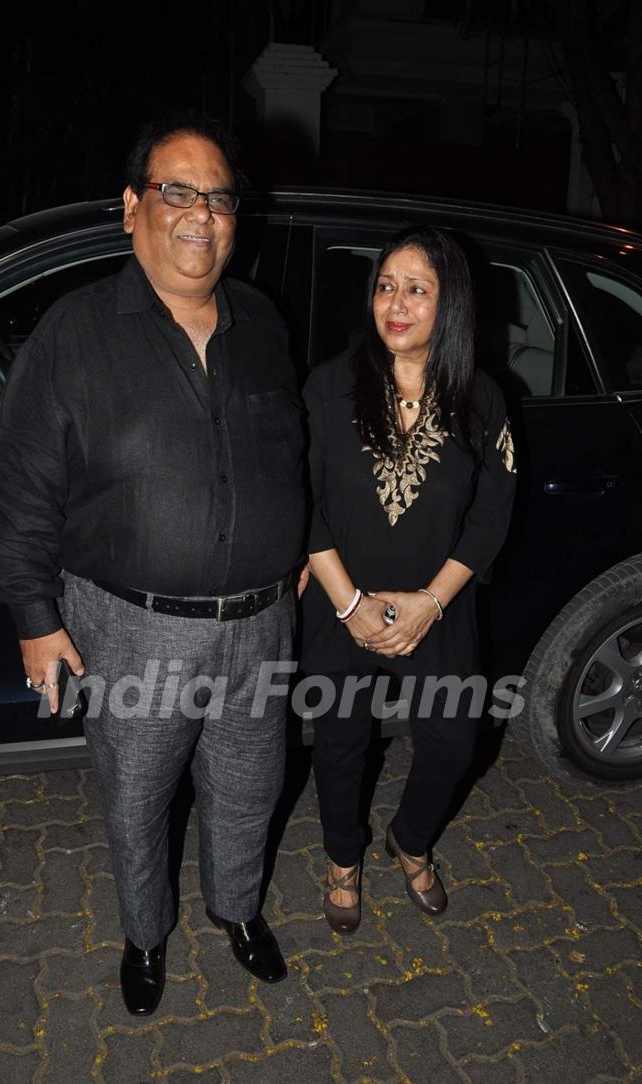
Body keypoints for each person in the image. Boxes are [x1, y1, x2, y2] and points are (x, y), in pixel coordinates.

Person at [0, 112, 307, 1015]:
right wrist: (35, 618)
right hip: (133, 625)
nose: (202, 213)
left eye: (220, 197)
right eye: (178, 192)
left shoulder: (263, 324)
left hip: (264, 623)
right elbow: (22, 493)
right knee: (137, 798)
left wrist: (302, 542)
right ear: (133, 207)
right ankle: (145, 935)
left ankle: (237, 911)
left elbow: (291, 452)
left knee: (251, 784)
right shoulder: (74, 334)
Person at [301, 225, 516, 934]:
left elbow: (490, 516)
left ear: (449, 303)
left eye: (417, 289)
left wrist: (429, 603)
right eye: (386, 286)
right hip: (340, 601)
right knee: (338, 741)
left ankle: (412, 839)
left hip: (438, 604)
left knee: (455, 740)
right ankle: (342, 857)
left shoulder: (481, 399)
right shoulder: (329, 388)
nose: (396, 302)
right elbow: (301, 502)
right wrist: (352, 605)